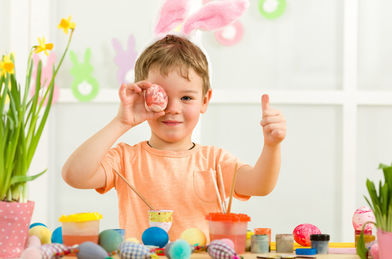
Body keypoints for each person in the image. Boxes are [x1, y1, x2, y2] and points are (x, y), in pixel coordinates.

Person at [62, 34, 286, 241]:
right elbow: (74, 175)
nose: (173, 108)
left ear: (205, 101)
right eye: (161, 96)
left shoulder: (215, 161)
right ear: (143, 97)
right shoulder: (125, 159)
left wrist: (271, 146)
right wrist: (121, 122)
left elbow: (260, 185)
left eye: (186, 97)